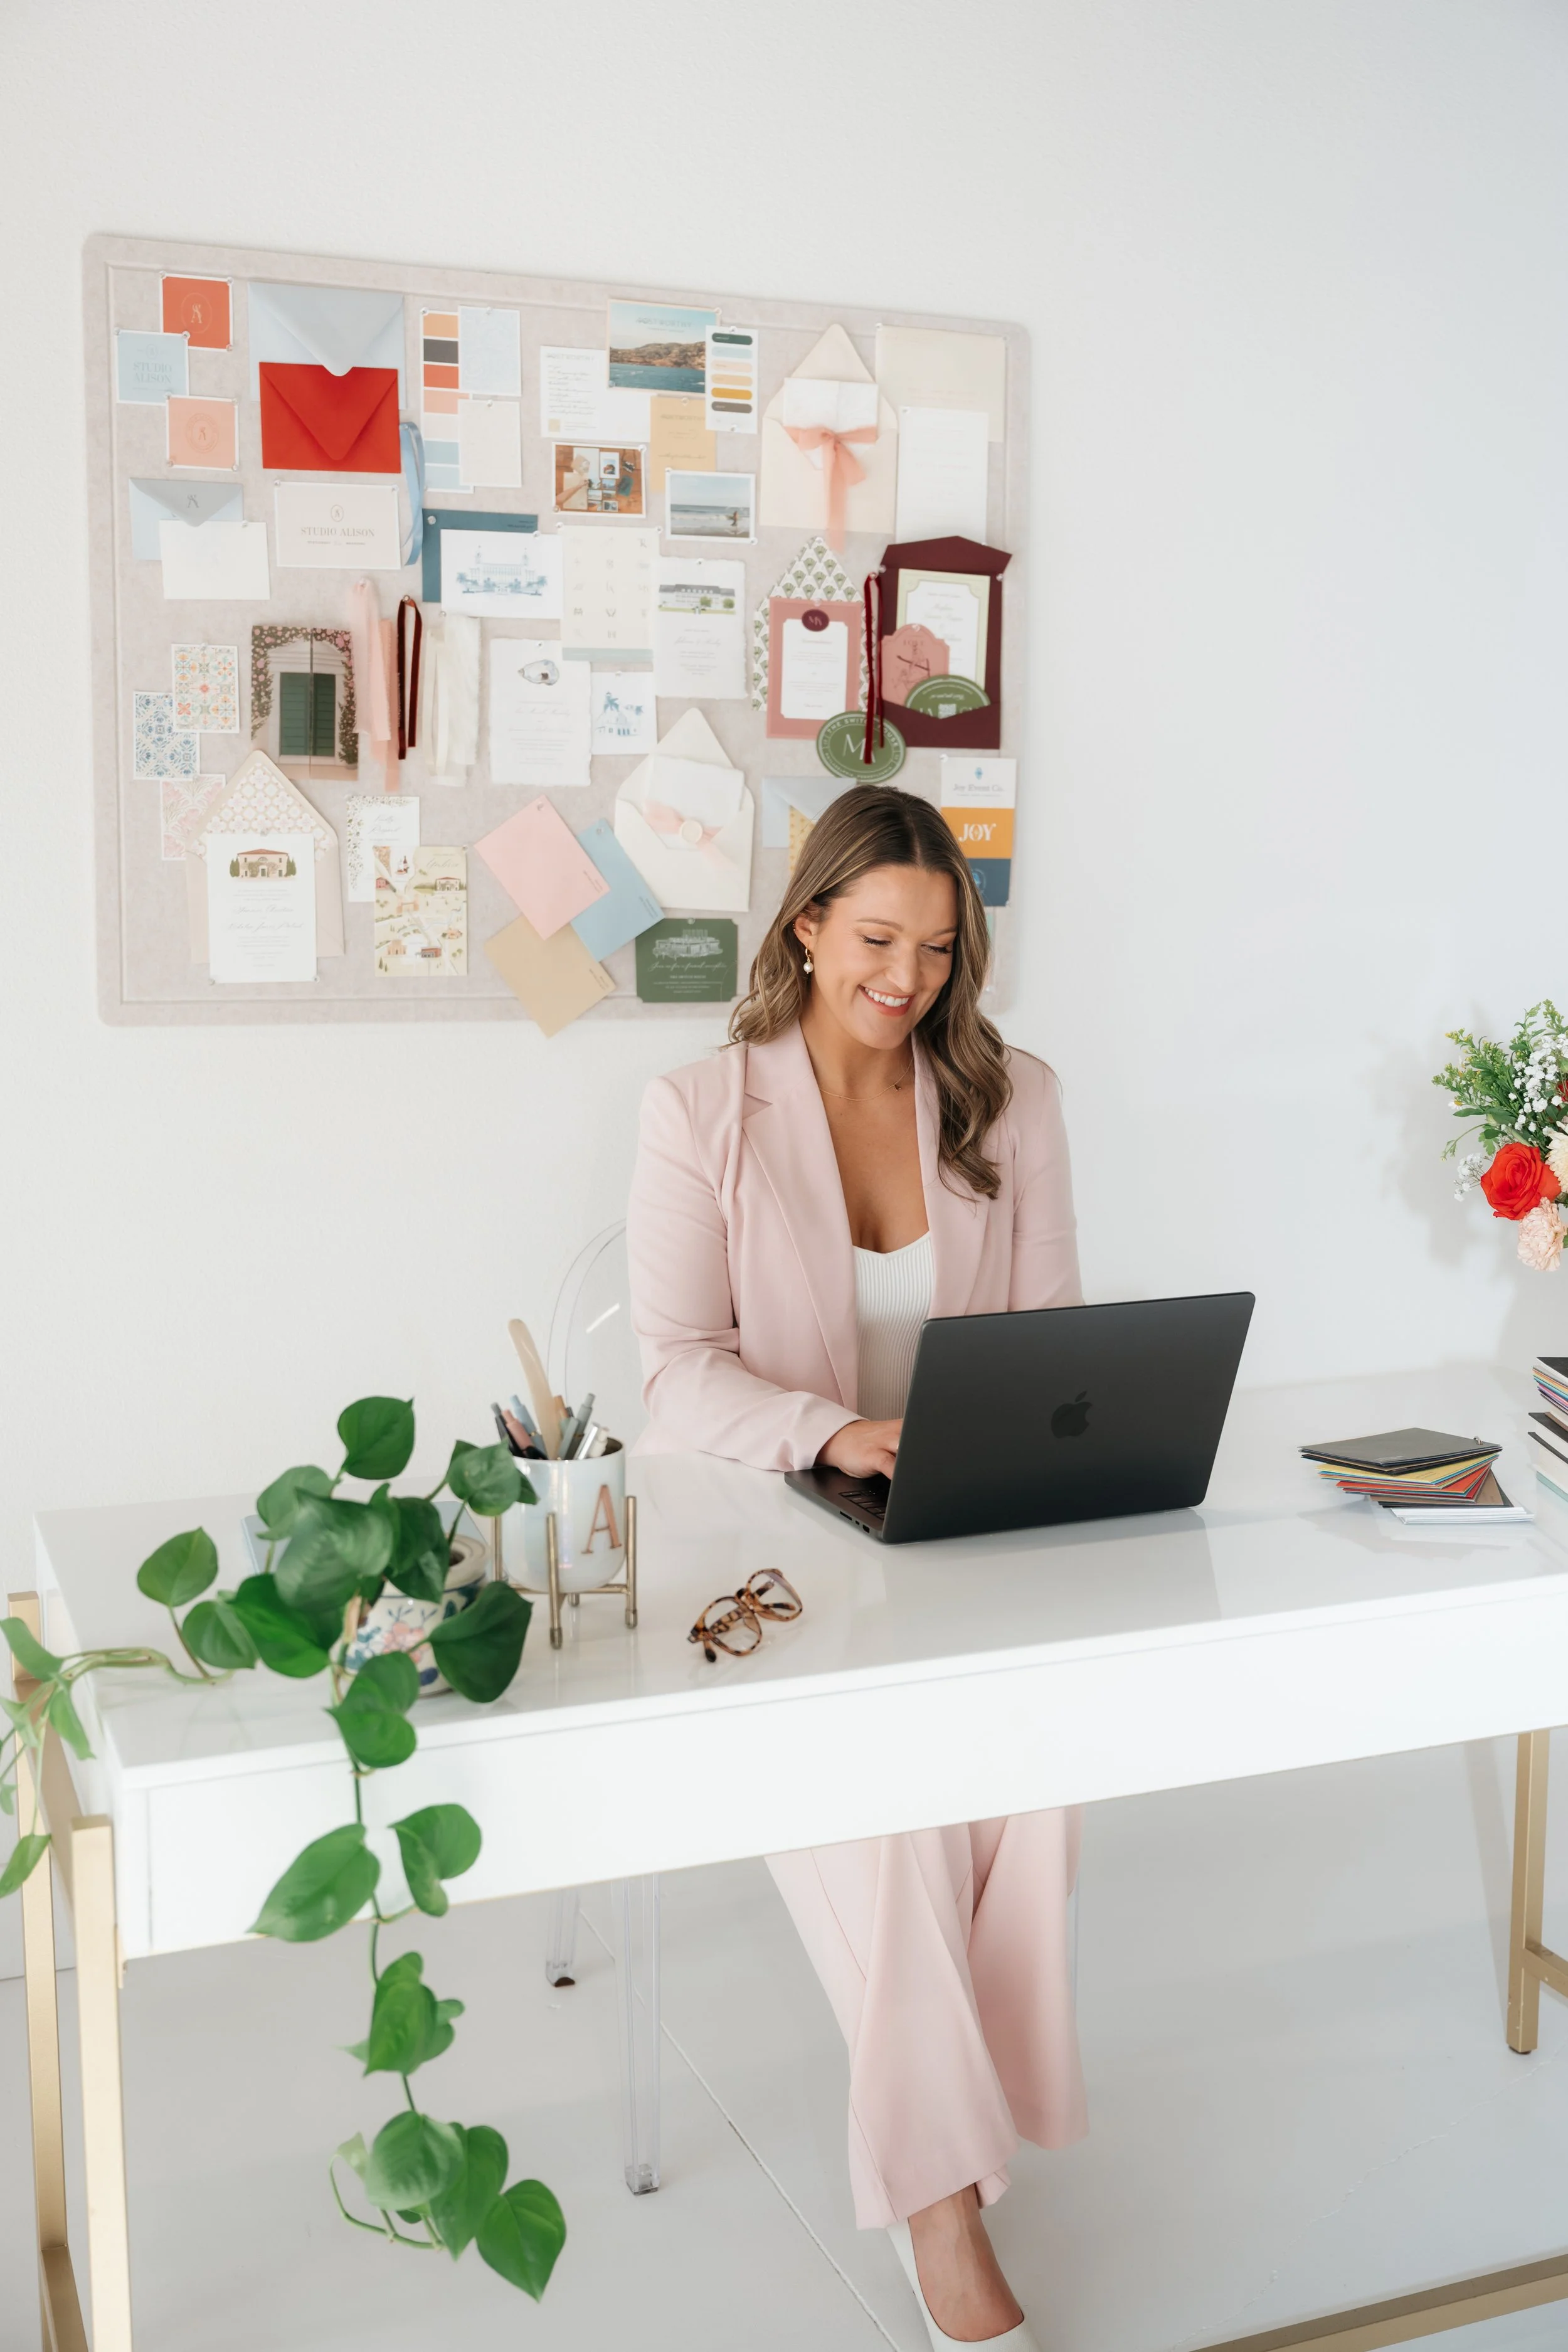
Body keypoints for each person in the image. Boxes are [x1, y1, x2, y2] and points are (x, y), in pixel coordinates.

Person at [627, 785, 1084, 2350]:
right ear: (806, 924)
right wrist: (835, 1430)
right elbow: (675, 1376)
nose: (906, 978)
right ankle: (944, 2212)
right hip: (763, 1559)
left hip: (957, 1545)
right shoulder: (700, 1111)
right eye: (876, 938)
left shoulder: (1008, 1098)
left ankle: (954, 2116)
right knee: (888, 1809)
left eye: (939, 948)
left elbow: (1048, 1351)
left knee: (1034, 1777)